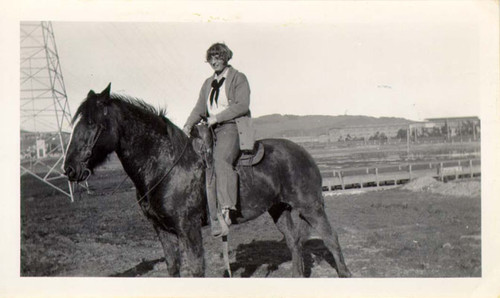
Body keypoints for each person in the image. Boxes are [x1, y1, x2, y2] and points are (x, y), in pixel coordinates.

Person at [183, 43, 254, 236]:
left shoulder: (238, 78)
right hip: (209, 130)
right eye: (211, 58)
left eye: (218, 57)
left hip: (231, 127)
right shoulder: (207, 83)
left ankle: (227, 208)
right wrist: (188, 125)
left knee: (220, 160)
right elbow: (199, 108)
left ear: (226, 58)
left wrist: (217, 118)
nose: (214, 61)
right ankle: (206, 212)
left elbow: (242, 105)